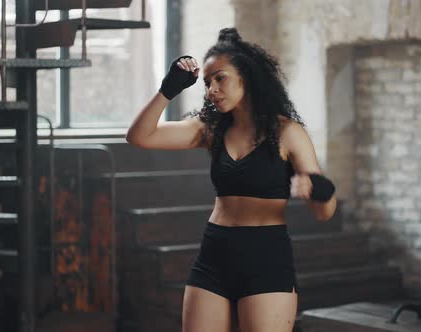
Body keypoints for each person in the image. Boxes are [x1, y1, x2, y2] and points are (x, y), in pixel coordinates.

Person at [126, 27, 337, 332]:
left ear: (247, 77)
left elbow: (324, 212)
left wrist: (320, 188)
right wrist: (167, 91)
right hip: (215, 254)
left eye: (220, 78)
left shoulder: (288, 133)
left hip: (266, 257)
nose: (211, 89)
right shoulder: (210, 130)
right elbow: (139, 137)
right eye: (208, 82)